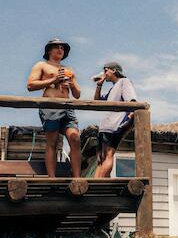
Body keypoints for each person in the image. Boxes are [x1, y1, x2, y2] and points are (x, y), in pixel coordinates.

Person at [27, 38, 82, 177]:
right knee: (53, 141)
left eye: (62, 48)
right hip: (50, 106)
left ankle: (77, 179)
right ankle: (52, 178)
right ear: (49, 50)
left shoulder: (68, 70)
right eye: (57, 47)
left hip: (68, 106)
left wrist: (72, 84)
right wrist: (53, 80)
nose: (60, 50)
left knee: (75, 139)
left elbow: (77, 95)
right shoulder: (42, 65)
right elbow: (30, 85)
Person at [93, 62, 137, 178]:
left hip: (115, 123)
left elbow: (131, 99)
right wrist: (99, 85)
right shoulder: (113, 89)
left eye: (106, 70)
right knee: (102, 157)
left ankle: (98, 183)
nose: (104, 73)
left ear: (114, 70)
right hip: (107, 125)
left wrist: (132, 113)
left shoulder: (124, 82)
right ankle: (97, 182)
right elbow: (97, 101)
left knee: (108, 154)